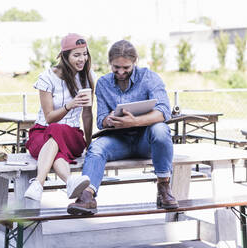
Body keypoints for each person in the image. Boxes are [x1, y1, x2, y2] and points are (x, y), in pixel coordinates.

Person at [67, 39, 178, 215]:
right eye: (115, 67)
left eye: (126, 68)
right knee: (96, 147)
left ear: (135, 62)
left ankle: (164, 187)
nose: (120, 72)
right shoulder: (103, 83)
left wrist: (134, 122)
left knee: (161, 129)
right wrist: (108, 120)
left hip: (146, 141)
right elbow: (100, 120)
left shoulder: (149, 78)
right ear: (110, 63)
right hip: (118, 141)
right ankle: (87, 196)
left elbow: (164, 112)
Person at [24, 33, 95, 202]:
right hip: (41, 133)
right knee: (55, 136)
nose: (82, 59)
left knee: (57, 132)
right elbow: (49, 118)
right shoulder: (47, 78)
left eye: (84, 54)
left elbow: (87, 114)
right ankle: (70, 181)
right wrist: (70, 104)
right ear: (64, 56)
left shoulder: (88, 76)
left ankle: (38, 184)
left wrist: (90, 145)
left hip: (72, 136)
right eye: (76, 55)